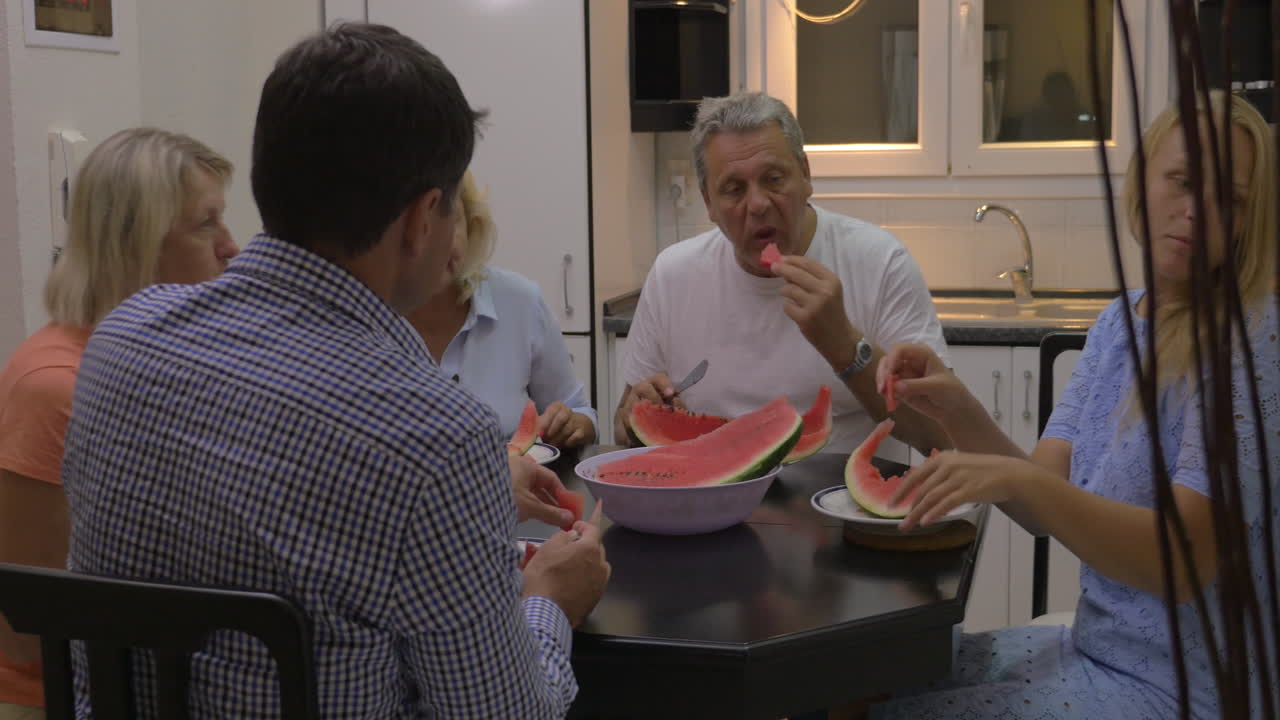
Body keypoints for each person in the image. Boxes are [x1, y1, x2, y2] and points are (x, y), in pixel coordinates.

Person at [59, 23, 609, 718]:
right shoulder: (437, 438)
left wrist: (471, 505)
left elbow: (277, 513)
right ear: (420, 222)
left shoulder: (121, 343)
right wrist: (549, 605)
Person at [865, 93, 1278, 719]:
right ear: (1145, 180)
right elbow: (1041, 503)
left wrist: (1014, 476)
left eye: (1230, 199)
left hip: (1189, 690)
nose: (1196, 212)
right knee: (873, 682)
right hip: (1094, 651)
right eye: (1183, 181)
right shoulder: (1121, 322)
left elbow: (1185, 561)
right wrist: (957, 405)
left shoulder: (1250, 340)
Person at [0, 127, 238, 719]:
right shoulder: (54, 386)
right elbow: (26, 624)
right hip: (54, 697)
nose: (233, 248)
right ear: (135, 244)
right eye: (206, 225)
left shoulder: (165, 362)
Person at [615, 91, 951, 456]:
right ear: (709, 203)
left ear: (805, 175)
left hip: (841, 503)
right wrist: (638, 415)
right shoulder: (673, 275)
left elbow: (941, 434)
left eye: (774, 179)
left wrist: (845, 347)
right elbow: (623, 423)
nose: (758, 204)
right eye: (733, 189)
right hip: (711, 499)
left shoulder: (880, 263)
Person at [407, 170, 596, 448]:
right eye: (423, 224)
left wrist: (573, 424)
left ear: (472, 225)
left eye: (451, 218)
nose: (440, 242)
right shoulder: (368, 315)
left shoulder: (520, 300)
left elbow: (582, 415)